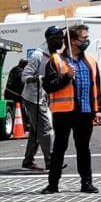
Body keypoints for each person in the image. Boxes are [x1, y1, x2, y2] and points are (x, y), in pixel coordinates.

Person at [42, 24, 101, 195]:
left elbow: (96, 87)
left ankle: (87, 182)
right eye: (84, 38)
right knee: (60, 148)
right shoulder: (56, 60)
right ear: (73, 41)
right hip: (63, 112)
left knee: (84, 148)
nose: (87, 41)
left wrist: (97, 110)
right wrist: (66, 77)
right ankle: (53, 184)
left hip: (85, 111)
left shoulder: (90, 61)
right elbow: (48, 86)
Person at [20, 27, 64, 171]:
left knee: (36, 130)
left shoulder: (56, 55)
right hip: (33, 98)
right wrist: (41, 78)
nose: (62, 40)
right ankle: (51, 161)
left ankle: (28, 160)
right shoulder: (38, 55)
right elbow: (24, 76)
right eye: (59, 38)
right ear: (50, 39)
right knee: (45, 128)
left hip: (43, 97)